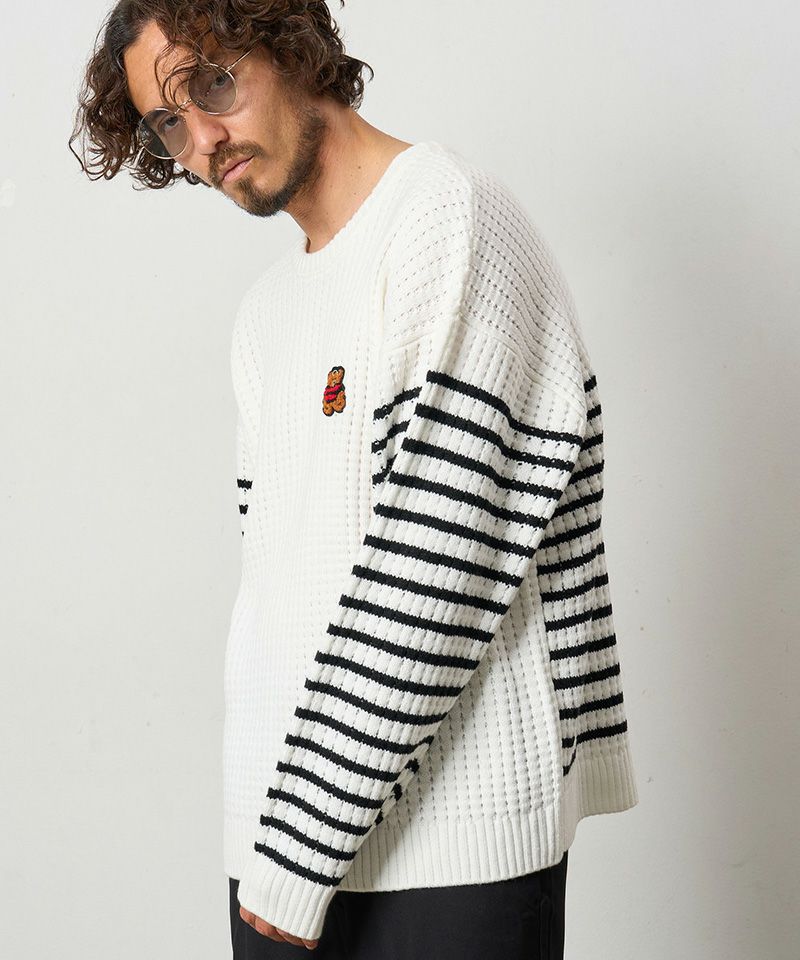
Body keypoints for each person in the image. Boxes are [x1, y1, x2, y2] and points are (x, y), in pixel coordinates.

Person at [69, 3, 639, 957]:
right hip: (281, 848)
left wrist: (297, 846)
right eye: (168, 123)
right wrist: (271, 843)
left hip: (450, 851)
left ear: (291, 45)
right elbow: (277, 594)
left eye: (213, 83)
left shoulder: (449, 218)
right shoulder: (267, 315)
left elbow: (436, 570)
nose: (202, 140)